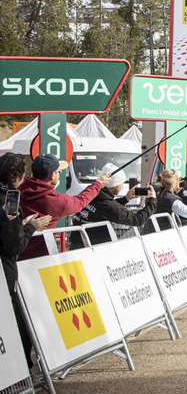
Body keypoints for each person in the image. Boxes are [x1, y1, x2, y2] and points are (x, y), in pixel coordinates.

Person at [0, 153, 51, 373]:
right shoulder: (10, 199)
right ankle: (19, 374)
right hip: (5, 271)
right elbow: (13, 246)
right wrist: (31, 227)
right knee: (15, 325)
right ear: (20, 177)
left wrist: (21, 223)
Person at [17, 153, 110, 259]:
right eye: (59, 172)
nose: (59, 174)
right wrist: (98, 184)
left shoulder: (18, 188)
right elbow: (80, 201)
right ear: (52, 175)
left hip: (13, 254)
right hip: (37, 259)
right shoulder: (53, 200)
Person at [69, 163, 158, 248]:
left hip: (77, 247)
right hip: (95, 251)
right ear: (115, 185)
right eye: (121, 183)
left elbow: (103, 210)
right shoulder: (107, 205)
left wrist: (126, 199)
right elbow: (138, 220)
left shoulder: (90, 195)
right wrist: (152, 200)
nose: (122, 187)